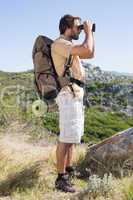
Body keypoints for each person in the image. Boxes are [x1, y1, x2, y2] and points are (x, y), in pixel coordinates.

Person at [51, 14, 95, 193]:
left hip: (74, 93)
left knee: (72, 137)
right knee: (65, 137)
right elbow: (86, 48)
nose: (79, 29)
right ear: (67, 27)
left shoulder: (70, 46)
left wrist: (90, 33)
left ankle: (68, 171)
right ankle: (60, 179)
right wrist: (88, 33)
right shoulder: (60, 43)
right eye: (77, 26)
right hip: (68, 94)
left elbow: (90, 53)